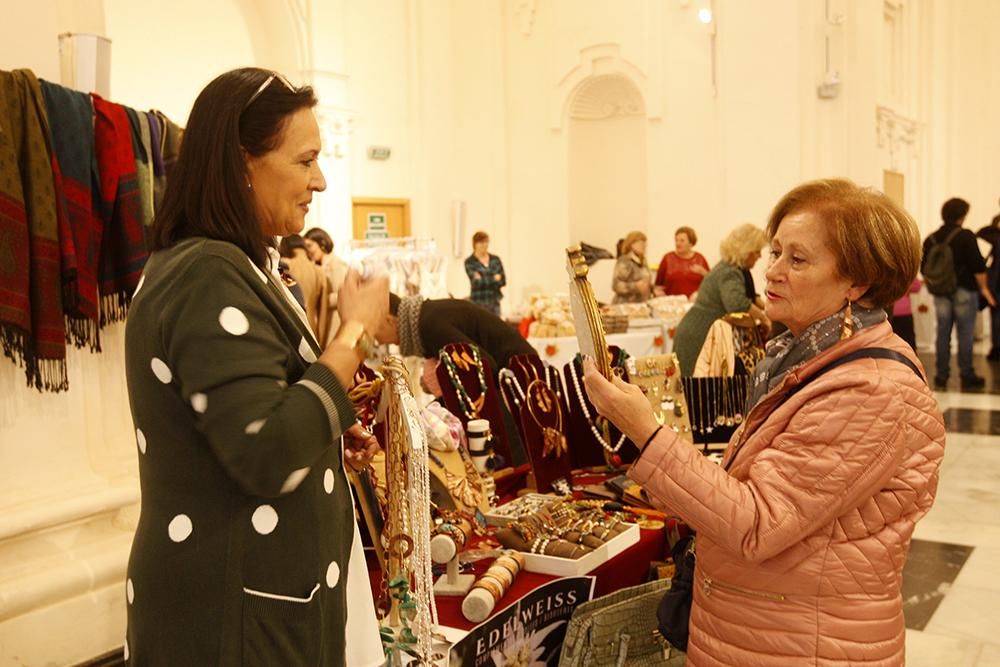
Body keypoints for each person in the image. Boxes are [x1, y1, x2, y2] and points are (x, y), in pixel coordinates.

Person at [582, 178, 945, 666]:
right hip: (765, 629)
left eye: (797, 260)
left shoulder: (870, 389)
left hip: (802, 642)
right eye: (774, 252)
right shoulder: (809, 358)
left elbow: (757, 522)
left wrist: (647, 434)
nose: (771, 271)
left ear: (858, 282)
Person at [125, 68, 387, 666]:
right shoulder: (206, 272)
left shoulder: (237, 265)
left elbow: (245, 424)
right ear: (241, 161)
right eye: (305, 161)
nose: (319, 180)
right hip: (232, 622)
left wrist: (322, 438)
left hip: (260, 610)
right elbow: (266, 451)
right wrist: (354, 331)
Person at [672, 224, 770, 375]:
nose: (759, 256)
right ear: (746, 250)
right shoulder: (730, 272)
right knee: (697, 387)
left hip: (698, 329)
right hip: (700, 334)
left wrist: (769, 310)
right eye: (757, 251)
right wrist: (764, 319)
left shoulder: (732, 268)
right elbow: (738, 304)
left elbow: (751, 298)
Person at [923, 197, 996, 389]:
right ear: (962, 215)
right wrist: (984, 289)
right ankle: (967, 373)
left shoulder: (931, 238)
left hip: (941, 292)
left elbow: (924, 267)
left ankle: (941, 375)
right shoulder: (966, 236)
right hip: (964, 290)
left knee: (942, 332)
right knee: (965, 333)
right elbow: (978, 266)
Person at [374, 293, 536, 379]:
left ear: (389, 320)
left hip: (521, 372)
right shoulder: (424, 318)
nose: (377, 340)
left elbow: (482, 367)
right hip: (514, 370)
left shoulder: (428, 325)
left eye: (373, 331)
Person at [279, 233, 331, 344]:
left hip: (289, 332)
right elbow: (323, 313)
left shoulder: (282, 269)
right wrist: (320, 342)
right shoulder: (319, 271)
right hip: (312, 332)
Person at [305, 226, 350, 341]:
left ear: (322, 243)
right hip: (324, 322)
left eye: (310, 245)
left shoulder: (336, 265)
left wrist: (321, 300)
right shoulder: (316, 267)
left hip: (336, 323)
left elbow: (345, 294)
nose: (308, 250)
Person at [653, 226, 710, 298]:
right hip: (671, 304)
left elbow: (711, 284)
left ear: (691, 243)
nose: (678, 243)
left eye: (682, 241)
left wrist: (704, 272)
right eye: (676, 240)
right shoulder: (667, 258)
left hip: (694, 304)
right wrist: (658, 293)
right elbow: (658, 286)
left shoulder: (700, 259)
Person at [976, 201, 1000, 360]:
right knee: (996, 318)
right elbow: (981, 232)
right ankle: (997, 348)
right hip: (997, 285)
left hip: (996, 284)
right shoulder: (996, 238)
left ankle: (997, 349)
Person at [464, 230, 507, 316]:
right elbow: (477, 283)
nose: (485, 245)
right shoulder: (469, 262)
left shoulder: (495, 259)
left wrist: (482, 278)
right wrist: (494, 278)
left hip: (494, 301)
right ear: (475, 244)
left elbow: (503, 281)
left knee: (496, 327)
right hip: (479, 302)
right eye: (481, 242)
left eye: (486, 242)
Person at [611, 231, 652, 303]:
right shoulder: (624, 261)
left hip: (640, 306)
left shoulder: (643, 261)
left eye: (645, 243)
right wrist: (636, 286)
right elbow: (616, 285)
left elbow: (644, 283)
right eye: (641, 243)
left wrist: (653, 289)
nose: (644, 246)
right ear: (631, 244)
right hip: (625, 306)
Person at [890, 278, 922, 350]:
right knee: (909, 344)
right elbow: (917, 287)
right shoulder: (905, 272)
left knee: (891, 345)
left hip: (887, 313)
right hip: (905, 312)